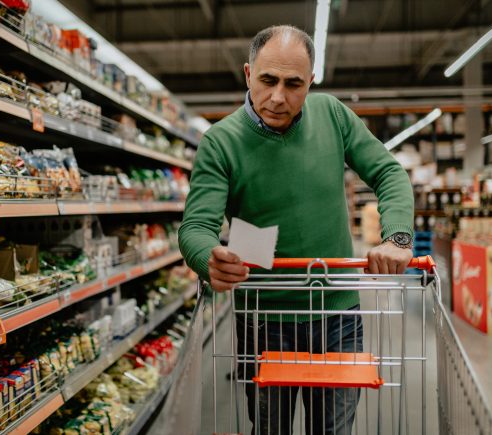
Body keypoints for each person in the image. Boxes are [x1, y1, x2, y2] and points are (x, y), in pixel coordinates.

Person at [178, 25, 415, 434]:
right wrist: (207, 258)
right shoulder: (221, 142)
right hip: (265, 318)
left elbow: (388, 173)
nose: (277, 97)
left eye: (294, 85)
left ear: (311, 82)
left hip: (337, 312)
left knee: (335, 430)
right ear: (248, 73)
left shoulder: (332, 115)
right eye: (268, 80)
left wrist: (396, 238)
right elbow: (197, 225)